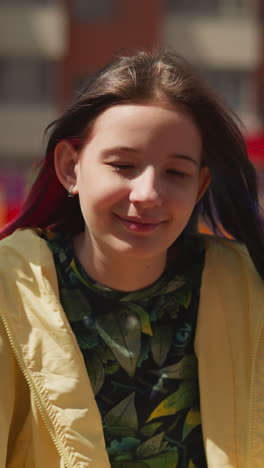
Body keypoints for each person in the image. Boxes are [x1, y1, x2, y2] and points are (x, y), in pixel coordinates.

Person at [0, 50, 263, 468]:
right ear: (71, 168)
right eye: (123, 165)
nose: (148, 194)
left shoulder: (251, 289)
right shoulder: (8, 289)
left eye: (176, 173)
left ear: (200, 185)